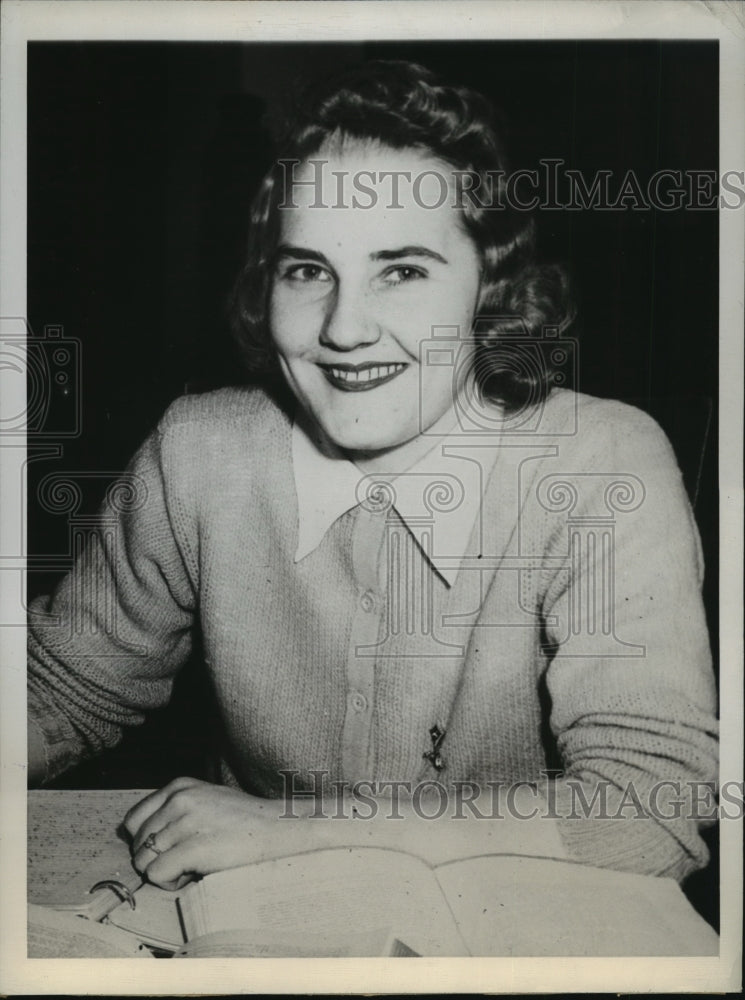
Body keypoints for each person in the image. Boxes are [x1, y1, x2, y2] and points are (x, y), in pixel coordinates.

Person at [27, 60, 717, 895]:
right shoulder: (200, 449)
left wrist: (301, 833)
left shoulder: (602, 461)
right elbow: (66, 688)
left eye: (402, 270)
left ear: (490, 289)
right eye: (307, 270)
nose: (344, 329)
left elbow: (650, 804)